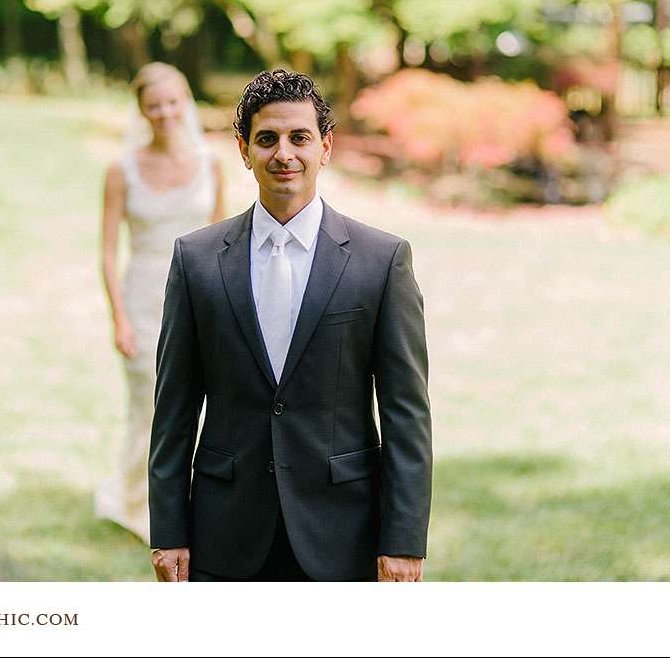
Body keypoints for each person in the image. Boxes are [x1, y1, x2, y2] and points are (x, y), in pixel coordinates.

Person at [148, 69, 432, 581]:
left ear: (325, 146)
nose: (284, 154)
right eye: (267, 139)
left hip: (343, 532)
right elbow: (174, 407)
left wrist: (404, 539)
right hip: (225, 529)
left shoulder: (381, 261)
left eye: (299, 137)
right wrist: (169, 531)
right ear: (243, 148)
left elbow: (406, 413)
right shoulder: (196, 259)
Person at [96, 63, 226, 544]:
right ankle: (139, 503)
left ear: (186, 102)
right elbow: (108, 250)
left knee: (205, 404)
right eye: (154, 104)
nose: (165, 112)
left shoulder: (211, 162)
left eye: (173, 101)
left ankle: (196, 501)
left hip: (199, 299)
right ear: (141, 111)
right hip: (144, 299)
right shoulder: (121, 169)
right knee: (151, 405)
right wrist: (119, 319)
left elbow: (222, 241)